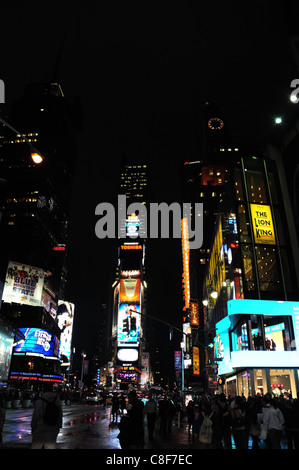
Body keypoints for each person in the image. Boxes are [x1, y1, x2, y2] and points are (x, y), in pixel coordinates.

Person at [31, 382, 63, 449]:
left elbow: (36, 415)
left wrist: (33, 426)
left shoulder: (40, 401)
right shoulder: (57, 400)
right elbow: (60, 414)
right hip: (52, 428)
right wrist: (59, 426)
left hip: (40, 428)